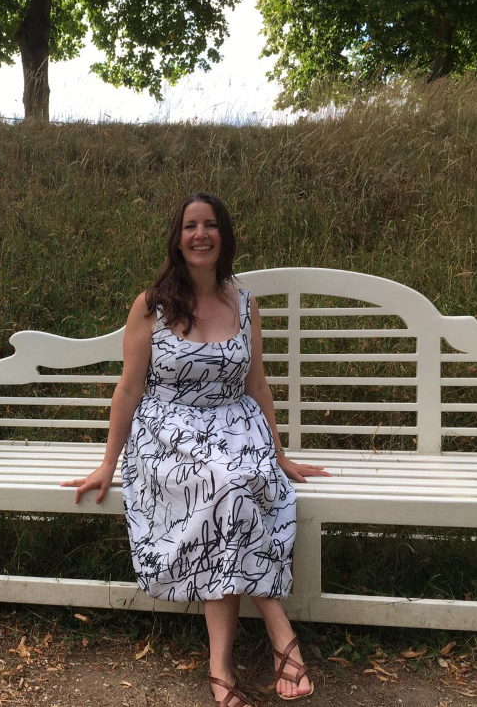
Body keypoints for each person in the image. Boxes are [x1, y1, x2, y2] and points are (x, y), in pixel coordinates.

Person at [61, 192, 329, 705]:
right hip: (167, 435)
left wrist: (278, 454)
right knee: (224, 485)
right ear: (177, 238)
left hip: (236, 427)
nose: (200, 234)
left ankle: (220, 667)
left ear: (223, 236)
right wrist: (107, 464)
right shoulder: (152, 305)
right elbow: (129, 390)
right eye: (190, 226)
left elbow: (257, 386)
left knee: (231, 486)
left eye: (210, 225)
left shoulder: (243, 302)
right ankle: (279, 631)